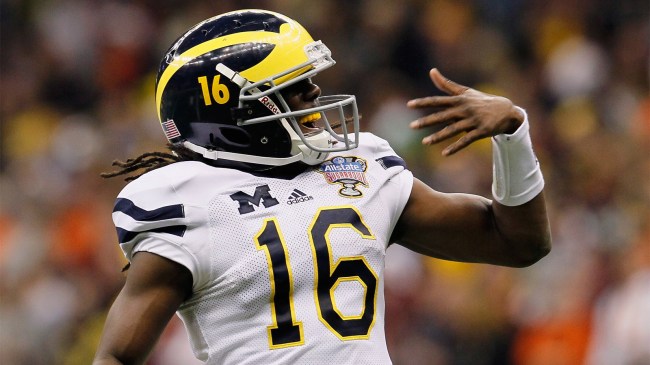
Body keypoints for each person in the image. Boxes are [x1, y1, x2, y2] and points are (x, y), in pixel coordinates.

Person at [93, 9, 551, 365]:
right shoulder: (187, 202)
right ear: (228, 112)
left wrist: (512, 135)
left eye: (310, 79)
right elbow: (116, 355)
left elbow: (517, 241)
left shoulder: (360, 167)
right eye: (293, 86)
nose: (314, 94)